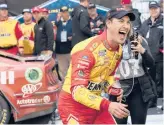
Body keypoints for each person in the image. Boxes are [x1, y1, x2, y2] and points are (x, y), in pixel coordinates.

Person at [58, 8, 136, 124]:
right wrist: (108, 105)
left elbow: (108, 75)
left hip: (95, 103)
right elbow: (77, 91)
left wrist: (112, 88)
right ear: (108, 23)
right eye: (121, 21)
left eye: (128, 22)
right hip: (73, 105)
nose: (126, 26)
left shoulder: (118, 49)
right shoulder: (87, 50)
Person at [114, 32, 155, 124]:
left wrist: (142, 50)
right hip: (117, 88)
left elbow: (151, 63)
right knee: (119, 123)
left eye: (127, 22)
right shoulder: (109, 41)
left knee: (138, 122)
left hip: (138, 87)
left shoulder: (139, 40)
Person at [139, 1, 163, 107]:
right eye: (151, 9)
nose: (153, 11)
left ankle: (160, 101)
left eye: (155, 8)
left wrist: (161, 47)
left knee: (160, 80)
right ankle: (153, 101)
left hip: (160, 57)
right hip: (148, 58)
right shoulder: (146, 23)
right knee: (151, 80)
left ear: (160, 9)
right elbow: (140, 34)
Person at [55, 6, 72, 81]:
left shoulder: (73, 22)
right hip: (60, 51)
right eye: (62, 12)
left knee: (73, 69)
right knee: (62, 71)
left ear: (68, 12)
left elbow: (77, 34)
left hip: (71, 50)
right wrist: (58, 19)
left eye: (65, 12)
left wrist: (73, 37)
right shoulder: (57, 23)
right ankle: (64, 88)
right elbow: (54, 32)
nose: (64, 14)